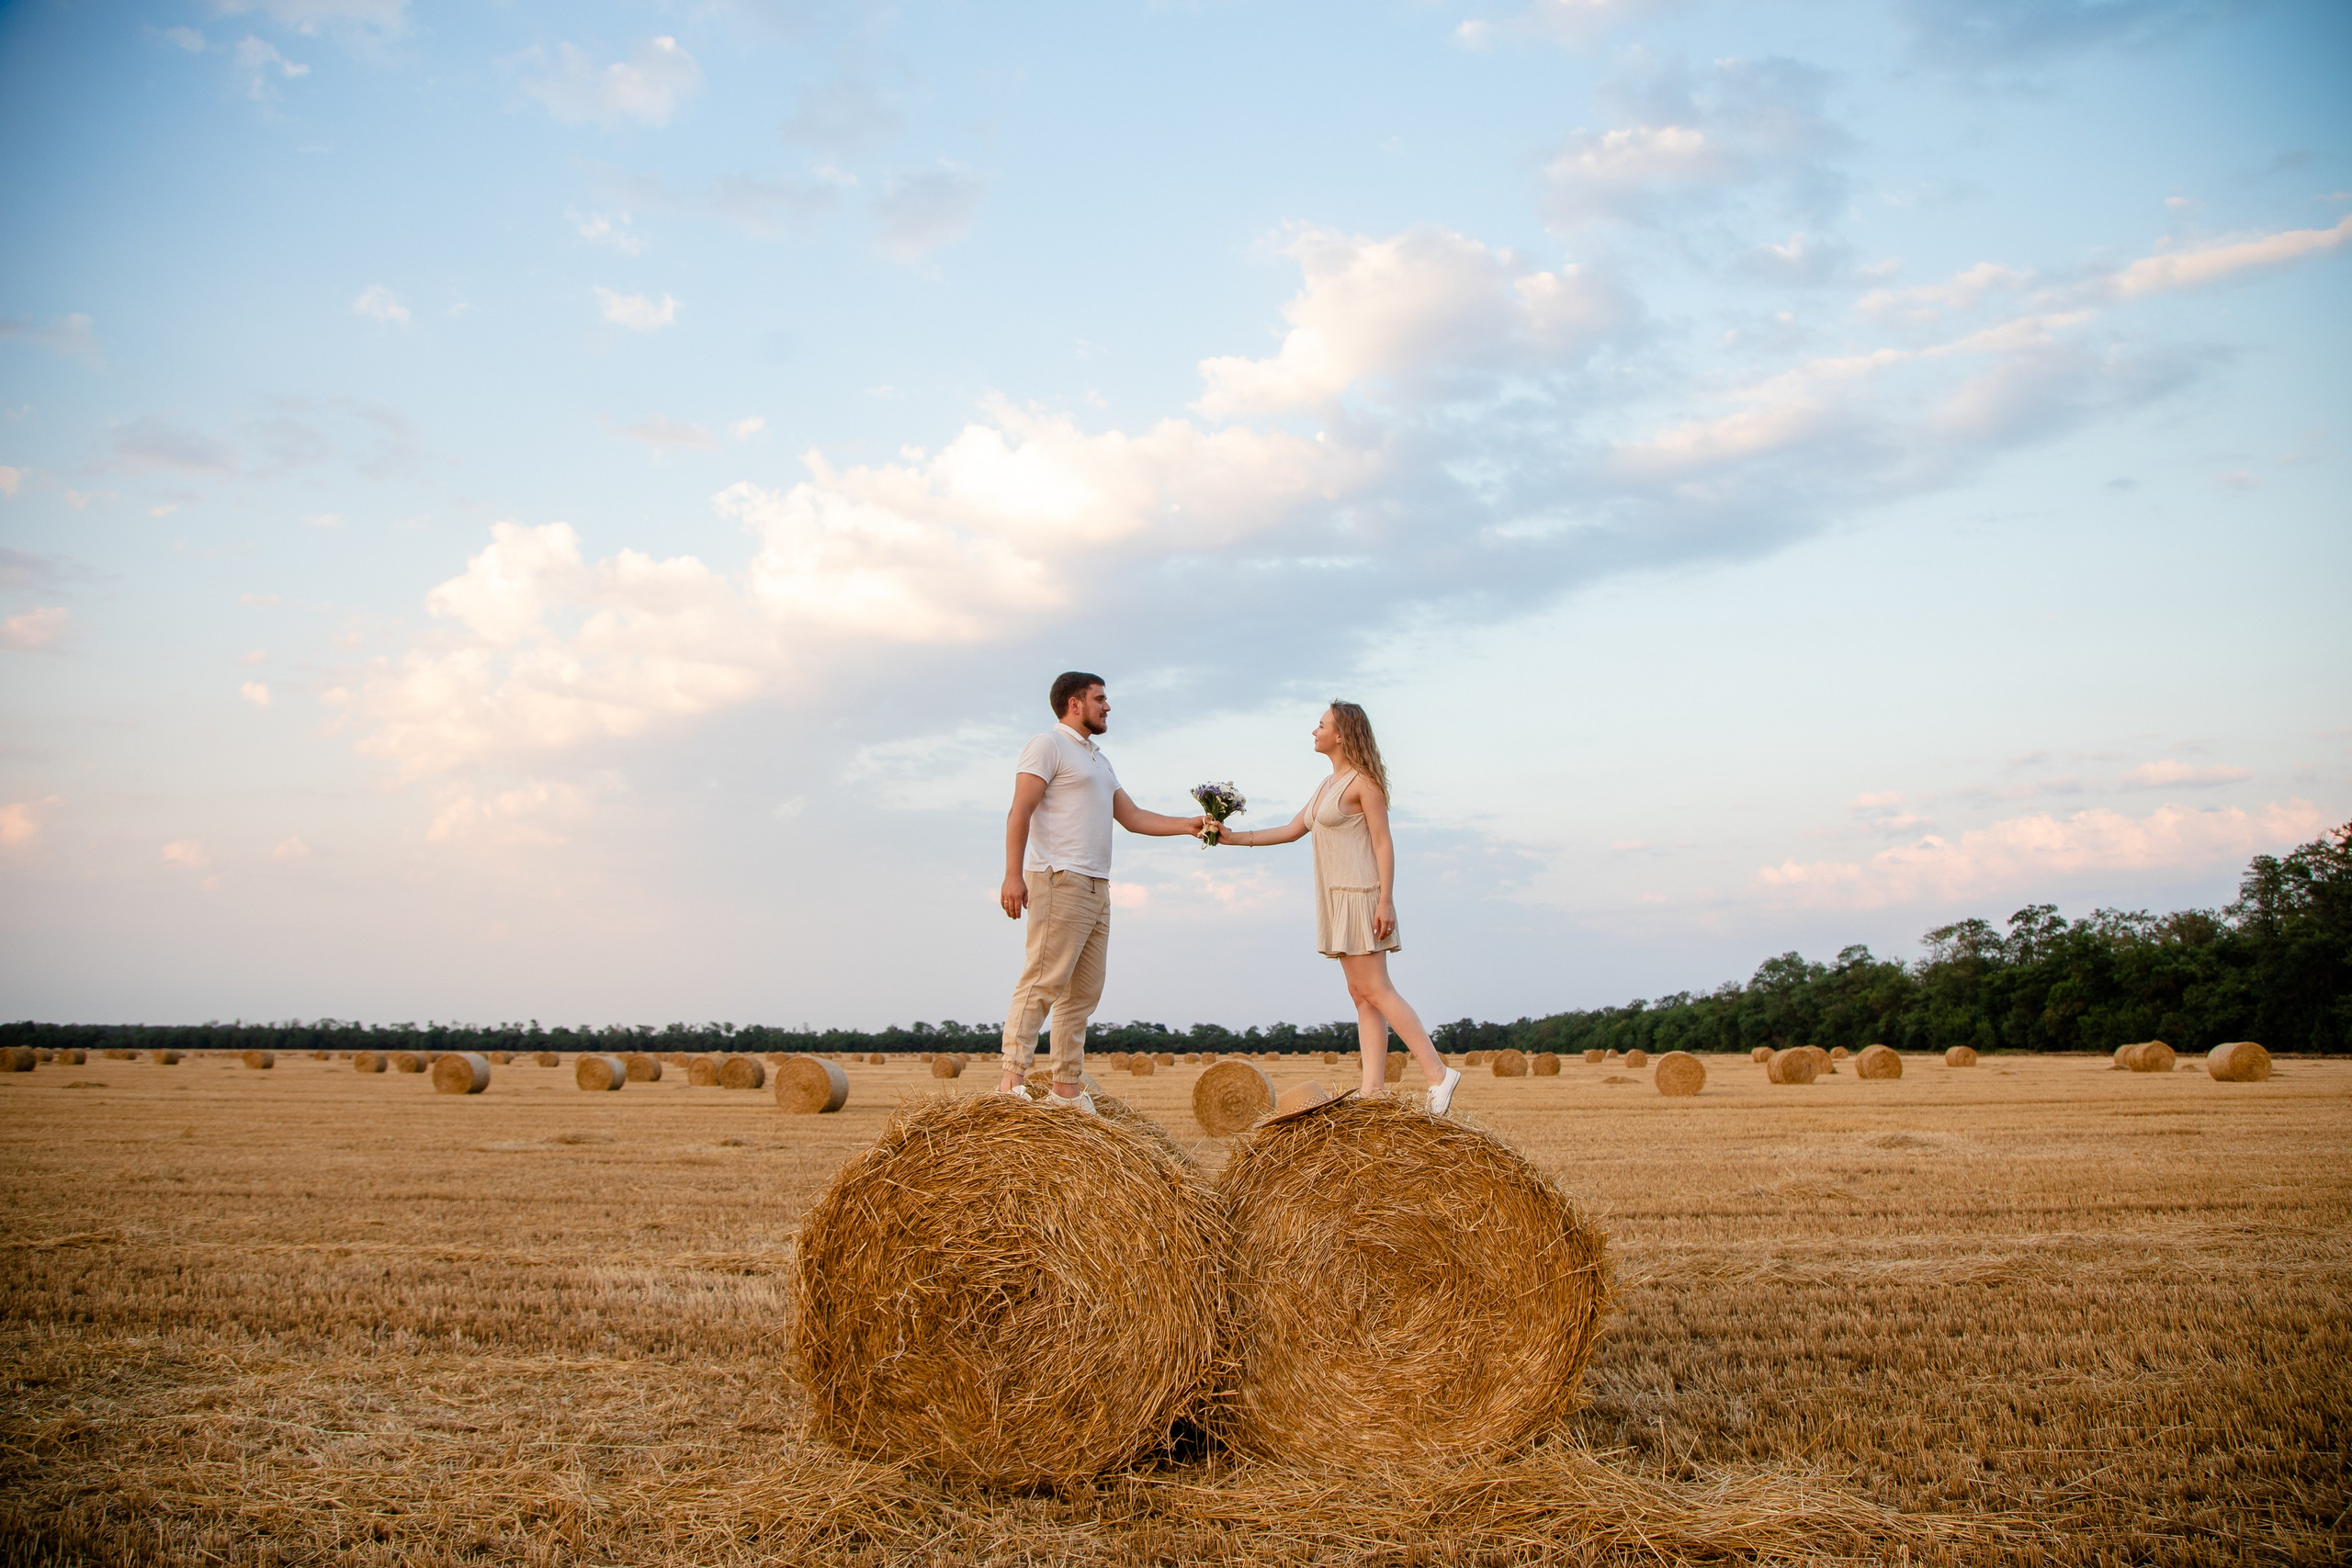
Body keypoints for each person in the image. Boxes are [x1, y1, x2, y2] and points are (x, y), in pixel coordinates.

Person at [1212, 701, 1462, 1114]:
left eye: (1321, 724)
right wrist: (1232, 837)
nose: (1314, 731)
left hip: (1361, 895)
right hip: (1336, 899)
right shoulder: (1327, 785)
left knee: (1377, 989)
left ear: (1342, 734)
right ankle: (1372, 1090)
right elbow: (1290, 830)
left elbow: (1383, 843)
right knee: (1361, 995)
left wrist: (1385, 900)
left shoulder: (1364, 783)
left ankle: (1438, 1074)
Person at [999, 671, 1205, 1113]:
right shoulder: (1047, 745)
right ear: (1075, 704)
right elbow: (1020, 809)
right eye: (1100, 699)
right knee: (1043, 979)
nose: (1107, 707)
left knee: (1083, 994)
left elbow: (1131, 816)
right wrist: (1013, 875)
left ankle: (1065, 1089)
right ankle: (1010, 1082)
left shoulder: (1099, 759)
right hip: (1059, 877)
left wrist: (1187, 825)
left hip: (1097, 884)